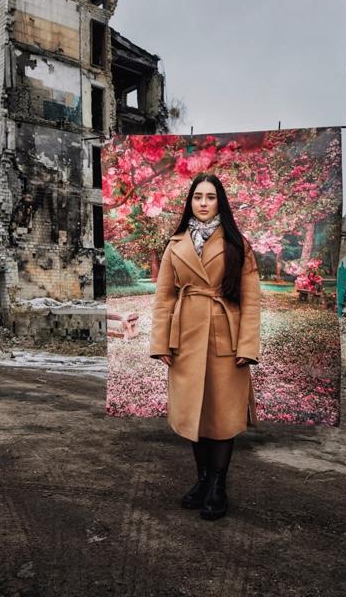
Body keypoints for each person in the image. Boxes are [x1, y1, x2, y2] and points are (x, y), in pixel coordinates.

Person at [149, 173, 261, 520]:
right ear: (190, 201)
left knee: (222, 415)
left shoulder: (236, 244)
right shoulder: (175, 243)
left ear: (219, 202)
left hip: (225, 337)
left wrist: (247, 345)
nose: (203, 203)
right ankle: (201, 480)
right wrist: (161, 343)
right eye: (198, 196)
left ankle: (218, 484)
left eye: (210, 197)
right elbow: (164, 297)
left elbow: (252, 300)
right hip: (185, 338)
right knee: (193, 414)